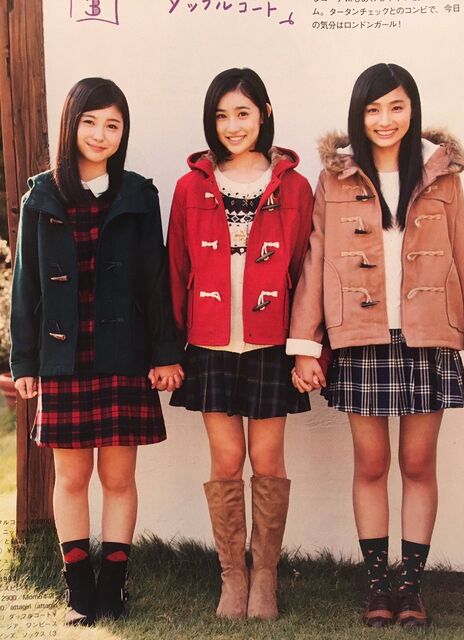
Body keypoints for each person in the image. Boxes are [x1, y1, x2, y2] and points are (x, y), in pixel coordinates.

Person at [287, 63, 464, 629]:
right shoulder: (336, 176)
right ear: (359, 115)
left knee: (418, 463)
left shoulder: (443, 174)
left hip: (429, 334)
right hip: (361, 336)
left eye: (397, 106)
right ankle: (377, 586)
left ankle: (411, 587)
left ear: (412, 109)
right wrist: (305, 344)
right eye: (373, 109)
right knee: (371, 463)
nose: (385, 120)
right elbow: (316, 260)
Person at [10, 77, 184, 626]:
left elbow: (155, 281)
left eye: (113, 124)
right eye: (90, 122)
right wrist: (25, 362)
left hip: (123, 353)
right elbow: (26, 287)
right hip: (63, 359)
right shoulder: (41, 197)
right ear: (71, 125)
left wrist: (164, 353)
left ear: (123, 132)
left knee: (118, 477)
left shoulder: (137, 195)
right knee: (70, 478)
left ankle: (113, 586)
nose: (101, 134)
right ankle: (79, 590)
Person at [168, 67, 324, 620]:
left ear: (265, 114)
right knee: (227, 458)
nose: (233, 126)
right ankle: (232, 575)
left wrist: (310, 347)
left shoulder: (294, 187)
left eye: (243, 113)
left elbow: (307, 273)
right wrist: (170, 350)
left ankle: (265, 576)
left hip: (270, 343)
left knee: (267, 457)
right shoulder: (191, 187)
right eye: (221, 116)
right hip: (210, 344)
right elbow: (175, 269)